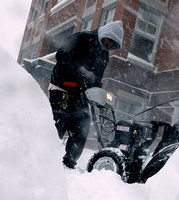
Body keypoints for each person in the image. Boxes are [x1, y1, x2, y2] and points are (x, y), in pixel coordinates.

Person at [48, 20, 124, 169]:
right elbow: (61, 54)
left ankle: (69, 163)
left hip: (82, 95)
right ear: (104, 34)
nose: (108, 45)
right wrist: (80, 70)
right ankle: (43, 155)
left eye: (111, 45)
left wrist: (95, 84)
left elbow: (98, 77)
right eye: (107, 41)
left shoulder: (104, 55)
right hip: (62, 89)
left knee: (82, 127)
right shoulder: (82, 38)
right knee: (58, 122)